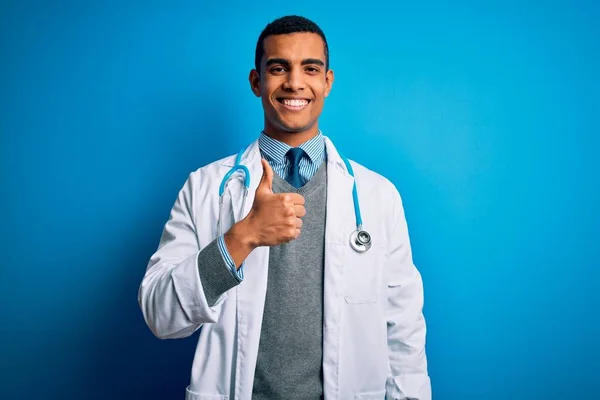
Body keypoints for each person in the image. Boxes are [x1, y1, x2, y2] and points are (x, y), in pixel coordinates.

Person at [138, 15, 431, 400]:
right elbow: (161, 315)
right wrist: (242, 237)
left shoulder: (377, 195)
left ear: (327, 81)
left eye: (310, 68)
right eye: (278, 68)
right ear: (256, 82)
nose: (295, 82)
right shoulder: (205, 187)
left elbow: (404, 330)